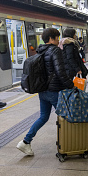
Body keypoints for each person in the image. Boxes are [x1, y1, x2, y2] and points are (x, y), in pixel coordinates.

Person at [16, 28, 74, 156]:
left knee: (43, 117)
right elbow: (60, 72)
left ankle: (25, 142)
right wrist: (71, 85)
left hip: (42, 90)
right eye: (57, 38)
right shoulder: (55, 50)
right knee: (64, 117)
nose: (58, 40)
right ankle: (66, 147)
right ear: (51, 39)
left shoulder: (40, 50)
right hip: (54, 91)